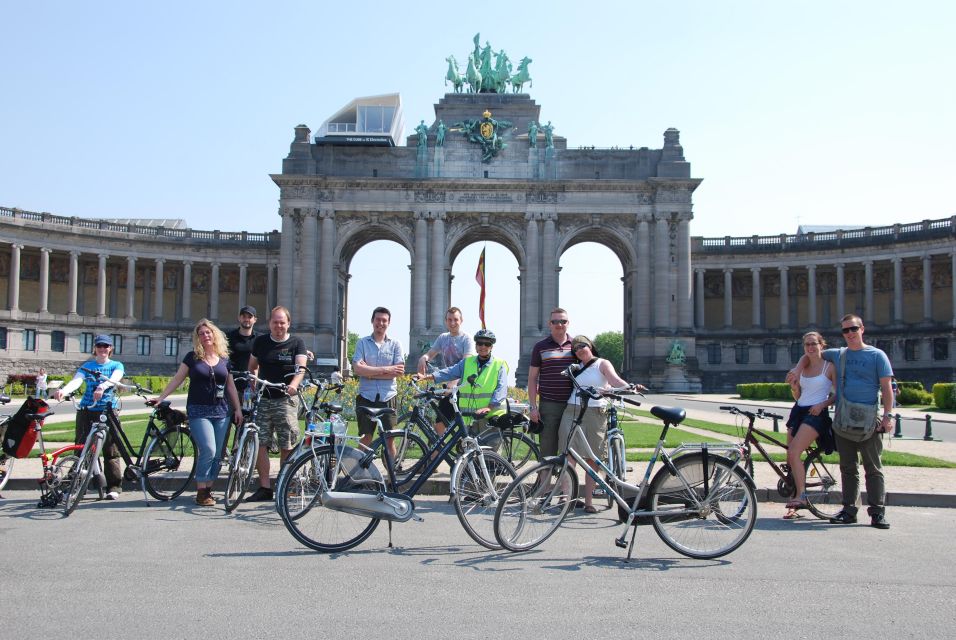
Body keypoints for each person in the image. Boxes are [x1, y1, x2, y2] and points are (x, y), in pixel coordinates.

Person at [788, 314, 894, 529]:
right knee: (848, 468)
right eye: (845, 330)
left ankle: (877, 512)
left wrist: (888, 416)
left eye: (853, 329)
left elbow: (886, 388)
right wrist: (798, 369)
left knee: (873, 468)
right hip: (843, 419)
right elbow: (810, 353)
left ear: (862, 329)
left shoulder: (877, 355)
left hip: (868, 419)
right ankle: (849, 510)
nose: (850, 334)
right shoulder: (838, 355)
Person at [153, 320, 243, 506]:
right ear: (198, 338)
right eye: (201, 334)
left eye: (208, 332)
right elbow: (178, 379)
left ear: (214, 335)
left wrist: (238, 409)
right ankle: (201, 490)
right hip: (198, 410)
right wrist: (161, 398)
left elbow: (231, 387)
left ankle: (207, 489)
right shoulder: (192, 357)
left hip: (222, 411)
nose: (205, 336)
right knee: (208, 449)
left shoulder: (224, 359)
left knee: (218, 454)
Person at [559, 335, 644, 513]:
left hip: (596, 412)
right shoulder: (575, 368)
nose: (579, 350)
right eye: (575, 348)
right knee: (569, 455)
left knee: (593, 458)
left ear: (590, 346)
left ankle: (588, 501)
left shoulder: (602, 363)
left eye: (582, 345)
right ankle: (566, 499)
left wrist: (630, 387)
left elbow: (614, 381)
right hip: (572, 409)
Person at [245, 306, 308, 501]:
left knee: (286, 443)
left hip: (285, 400)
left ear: (288, 323)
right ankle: (264, 487)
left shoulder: (297, 343)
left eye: (282, 322)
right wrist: (253, 382)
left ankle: (284, 484)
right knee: (260, 443)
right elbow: (252, 366)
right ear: (269, 323)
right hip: (264, 399)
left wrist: (294, 385)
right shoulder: (261, 342)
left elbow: (301, 368)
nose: (278, 326)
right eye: (275, 322)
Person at [53, 334, 125, 499]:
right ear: (95, 348)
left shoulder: (116, 365)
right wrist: (64, 391)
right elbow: (77, 381)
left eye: (105, 346)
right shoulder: (87, 366)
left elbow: (115, 379)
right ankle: (76, 486)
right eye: (99, 346)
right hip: (87, 409)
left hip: (107, 410)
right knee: (81, 448)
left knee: (110, 449)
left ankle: (114, 486)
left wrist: (102, 386)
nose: (102, 349)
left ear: (110, 349)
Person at [781, 331, 836, 520]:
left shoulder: (829, 367)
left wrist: (822, 404)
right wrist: (795, 387)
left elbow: (837, 394)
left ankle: (802, 497)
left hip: (816, 414)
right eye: (807, 345)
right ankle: (794, 502)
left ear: (822, 345)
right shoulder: (802, 367)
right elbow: (798, 396)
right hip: (799, 411)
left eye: (814, 344)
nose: (811, 348)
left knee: (794, 452)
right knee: (791, 458)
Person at [415, 328, 507, 433]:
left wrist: (489, 407)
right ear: (476, 346)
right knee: (468, 449)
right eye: (480, 343)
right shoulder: (467, 363)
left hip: (490, 416)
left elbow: (501, 389)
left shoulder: (499, 365)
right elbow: (449, 372)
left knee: (490, 449)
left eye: (487, 344)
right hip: (470, 418)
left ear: (491, 347)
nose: (483, 346)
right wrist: (427, 376)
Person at [417, 306, 476, 436]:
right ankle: (439, 454)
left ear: (461, 320)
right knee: (439, 423)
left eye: (456, 319)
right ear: (445, 321)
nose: (452, 323)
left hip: (463, 386)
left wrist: (454, 382)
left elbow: (465, 364)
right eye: (449, 320)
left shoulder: (467, 339)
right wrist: (424, 358)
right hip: (449, 386)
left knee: (464, 426)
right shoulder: (443, 337)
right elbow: (431, 353)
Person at [352, 307, 405, 453]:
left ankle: (390, 474)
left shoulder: (396, 344)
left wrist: (368, 372)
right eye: (378, 319)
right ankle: (357, 472)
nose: (380, 323)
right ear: (372, 321)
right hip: (366, 397)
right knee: (366, 438)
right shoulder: (362, 343)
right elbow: (357, 369)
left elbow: (399, 372)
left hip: (388, 397)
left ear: (389, 323)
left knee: (389, 439)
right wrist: (387, 369)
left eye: (384, 320)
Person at [527, 307, 575, 457]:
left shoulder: (577, 346)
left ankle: (566, 480)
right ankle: (545, 480)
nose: (559, 324)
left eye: (563, 321)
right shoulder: (540, 347)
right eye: (555, 321)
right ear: (549, 324)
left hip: (573, 405)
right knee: (547, 450)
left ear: (568, 323)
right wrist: (533, 407)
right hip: (549, 406)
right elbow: (532, 378)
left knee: (569, 450)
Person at [226, 305, 259, 399]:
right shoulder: (228, 337)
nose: (246, 319)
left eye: (249, 317)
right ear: (239, 318)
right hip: (232, 384)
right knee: (231, 413)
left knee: (251, 413)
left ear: (255, 319)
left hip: (252, 385)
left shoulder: (260, 339)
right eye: (243, 316)